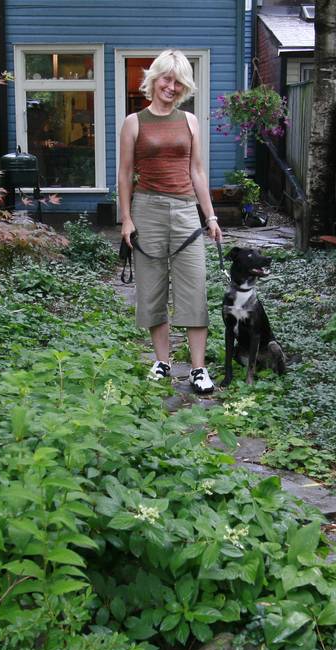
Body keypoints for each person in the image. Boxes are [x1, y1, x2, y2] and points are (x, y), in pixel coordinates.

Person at [118, 49, 222, 394]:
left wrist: (210, 216)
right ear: (154, 79)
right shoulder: (134, 122)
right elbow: (125, 175)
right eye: (167, 78)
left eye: (178, 82)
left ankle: (198, 369)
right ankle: (162, 363)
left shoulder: (189, 121)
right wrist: (126, 219)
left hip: (185, 211)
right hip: (147, 210)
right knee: (152, 288)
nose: (171, 87)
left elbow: (197, 171)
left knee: (194, 287)